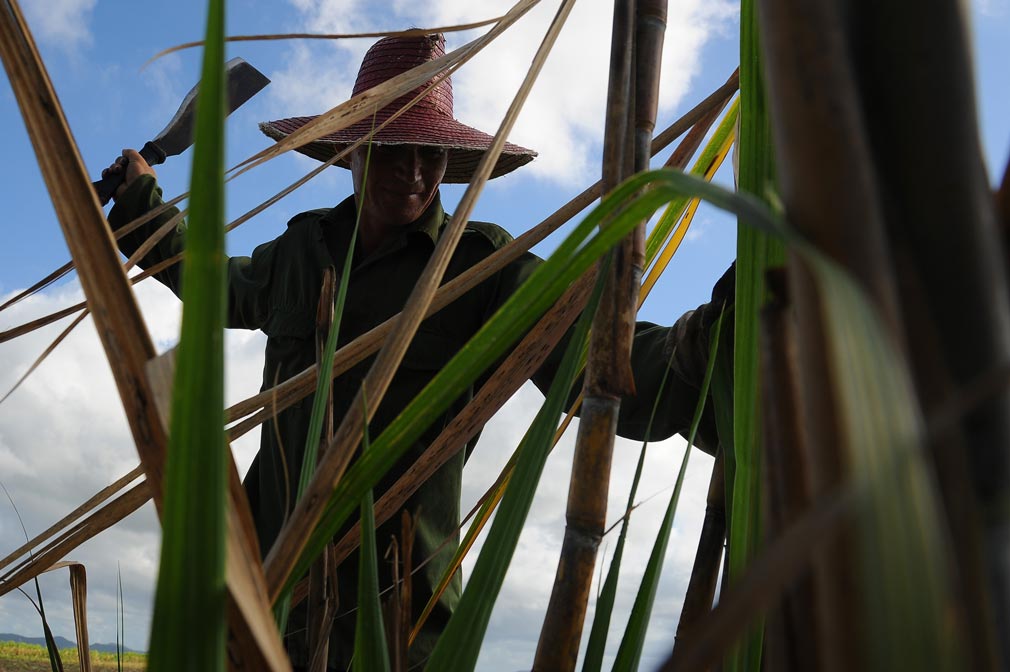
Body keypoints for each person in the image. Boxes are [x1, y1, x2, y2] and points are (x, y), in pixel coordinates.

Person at [103, 33, 729, 671]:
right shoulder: (302, 252)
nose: (414, 170)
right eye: (394, 147)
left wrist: (721, 343)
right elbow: (209, 281)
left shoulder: (480, 269)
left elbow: (610, 362)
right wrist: (137, 202)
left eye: (431, 151)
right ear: (353, 147)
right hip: (267, 610)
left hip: (400, 628)